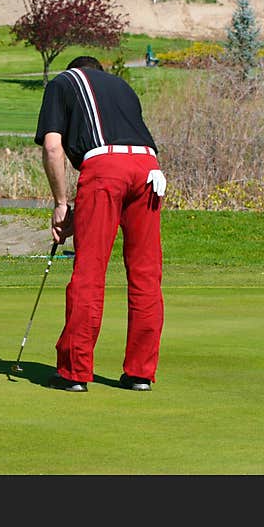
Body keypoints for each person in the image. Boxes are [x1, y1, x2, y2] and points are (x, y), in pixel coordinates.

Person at [34, 55, 166, 392]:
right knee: (145, 273)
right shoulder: (123, 86)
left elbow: (53, 148)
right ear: (100, 72)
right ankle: (140, 374)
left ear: (76, 68)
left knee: (90, 270)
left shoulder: (63, 82)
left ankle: (75, 372)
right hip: (150, 169)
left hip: (105, 168)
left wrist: (62, 204)